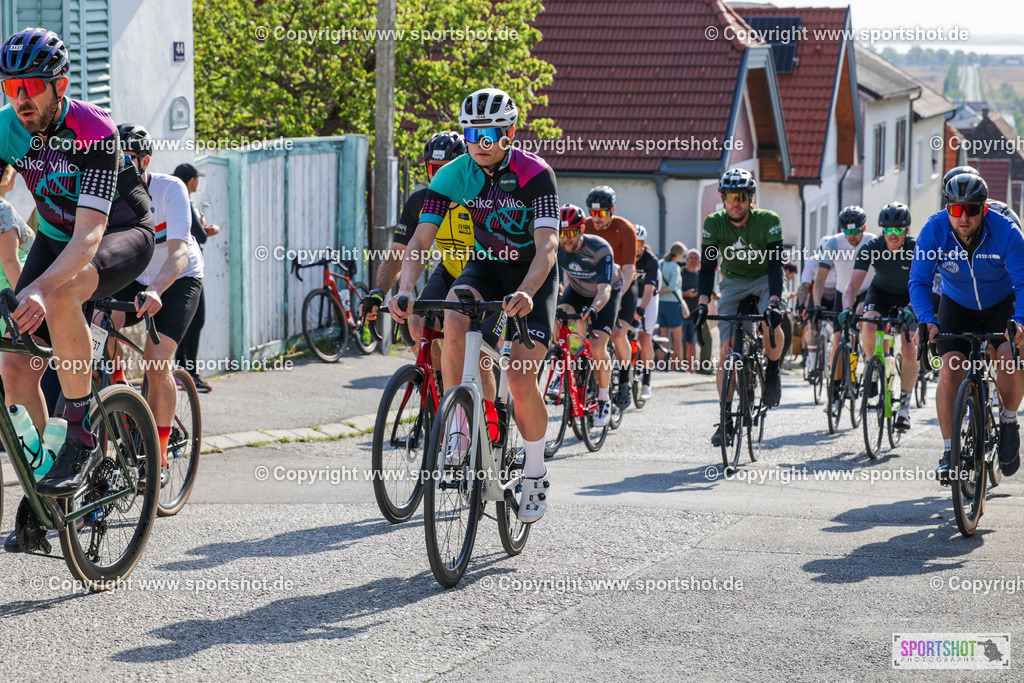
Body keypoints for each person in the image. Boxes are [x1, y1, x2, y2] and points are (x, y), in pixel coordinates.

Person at [0, 28, 156, 553]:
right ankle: (47, 481)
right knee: (14, 365)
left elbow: (90, 234)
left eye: (31, 87)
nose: (20, 98)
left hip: (119, 234)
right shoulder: (6, 129)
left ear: (59, 84)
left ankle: (82, 431)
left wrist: (42, 288)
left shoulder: (94, 130)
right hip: (51, 234)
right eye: (11, 86)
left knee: (61, 296)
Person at [390, 88, 558, 524]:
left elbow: (548, 246)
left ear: (509, 133)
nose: (479, 142)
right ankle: (459, 427)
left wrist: (526, 291)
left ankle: (535, 472)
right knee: (451, 313)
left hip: (532, 276)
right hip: (484, 267)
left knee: (520, 378)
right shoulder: (451, 174)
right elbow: (420, 240)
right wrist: (405, 287)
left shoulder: (535, 174)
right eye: (472, 132)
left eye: (489, 133)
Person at [910, 172, 1024, 481]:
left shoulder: (1006, 232)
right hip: (957, 304)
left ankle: (1009, 420)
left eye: (971, 209)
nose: (963, 217)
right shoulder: (933, 231)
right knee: (949, 368)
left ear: (984, 210)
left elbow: (1023, 283)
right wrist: (927, 320)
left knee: (1007, 357)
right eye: (956, 209)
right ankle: (950, 450)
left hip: (1001, 304)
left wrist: (1021, 323)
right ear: (947, 209)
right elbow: (919, 281)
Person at [108, 124, 204, 487]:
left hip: (178, 278)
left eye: (126, 162)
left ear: (145, 160)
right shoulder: (111, 193)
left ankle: (159, 456)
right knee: (101, 327)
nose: (116, 169)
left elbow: (178, 251)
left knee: (156, 360)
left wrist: (159, 290)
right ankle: (120, 399)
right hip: (135, 273)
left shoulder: (170, 188)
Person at [362, 131, 476, 393]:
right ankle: (441, 390)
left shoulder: (476, 200)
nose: (438, 176)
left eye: (444, 169)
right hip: (448, 270)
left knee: (474, 347)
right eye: (432, 168)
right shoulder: (419, 203)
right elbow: (398, 255)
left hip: (481, 274)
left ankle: (481, 408)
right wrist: (379, 291)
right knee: (416, 324)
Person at [692, 168, 785, 447]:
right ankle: (726, 418)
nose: (736, 202)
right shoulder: (713, 223)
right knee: (726, 351)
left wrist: (775, 303)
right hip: (732, 282)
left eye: (741, 196)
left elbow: (775, 265)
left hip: (764, 279)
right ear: (722, 198)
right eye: (731, 196)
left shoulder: (768, 220)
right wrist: (702, 302)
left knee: (771, 322)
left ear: (750, 198)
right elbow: (707, 268)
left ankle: (772, 370)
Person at [845, 202, 918, 432]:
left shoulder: (917, 248)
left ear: (906, 230)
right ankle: (875, 369)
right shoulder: (871, 247)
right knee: (867, 325)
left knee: (909, 346)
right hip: (882, 293)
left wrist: (912, 309)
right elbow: (852, 287)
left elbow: (926, 284)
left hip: (910, 295)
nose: (893, 235)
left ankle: (904, 408)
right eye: (888, 230)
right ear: (882, 231)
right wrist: (847, 309)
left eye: (898, 230)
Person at [556, 204, 622, 426]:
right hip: (576, 290)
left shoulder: (600, 249)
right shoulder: (556, 246)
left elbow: (605, 289)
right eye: (562, 233)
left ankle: (604, 397)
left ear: (580, 230)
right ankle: (563, 367)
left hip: (604, 293)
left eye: (571, 232)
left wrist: (594, 308)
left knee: (596, 347)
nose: (566, 238)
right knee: (559, 320)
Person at [812, 206, 876, 415]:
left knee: (865, 324)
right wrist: (816, 306)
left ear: (863, 227)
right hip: (843, 293)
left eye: (856, 231)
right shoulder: (834, 243)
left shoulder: (872, 241)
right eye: (847, 232)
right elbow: (820, 278)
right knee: (838, 339)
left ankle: (871, 371)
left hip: (867, 291)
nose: (851, 236)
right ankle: (835, 389)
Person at [582, 185, 638, 409]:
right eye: (592, 212)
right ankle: (582, 377)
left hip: (621, 285)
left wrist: (611, 299)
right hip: (593, 285)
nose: (596, 218)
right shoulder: (583, 226)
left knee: (617, 333)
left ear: (612, 209)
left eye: (602, 213)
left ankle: (624, 379)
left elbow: (627, 270)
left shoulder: (624, 229)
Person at [173, 162, 218, 393]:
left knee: (183, 323)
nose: (198, 182)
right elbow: (200, 235)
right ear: (192, 181)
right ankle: (189, 372)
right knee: (196, 320)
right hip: (188, 272)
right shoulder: (185, 202)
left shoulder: (171, 198)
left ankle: (182, 371)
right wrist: (208, 229)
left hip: (174, 269)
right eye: (197, 179)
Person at [0, 165, 33, 335]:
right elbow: (10, 262)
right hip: (10, 300)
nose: (17, 172)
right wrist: (27, 305)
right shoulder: (2, 209)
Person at [633, 225, 659, 398]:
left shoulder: (651, 260)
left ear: (644, 243)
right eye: (632, 242)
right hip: (630, 297)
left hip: (647, 299)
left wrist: (641, 309)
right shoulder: (623, 255)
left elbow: (649, 289)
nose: (635, 247)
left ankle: (646, 382)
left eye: (639, 243)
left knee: (644, 337)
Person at [656, 242, 686, 371]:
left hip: (660, 303)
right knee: (677, 338)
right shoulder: (674, 266)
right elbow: (674, 286)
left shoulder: (660, 263)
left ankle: (661, 364)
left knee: (664, 336)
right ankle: (678, 365)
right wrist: (665, 291)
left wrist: (660, 292)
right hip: (672, 303)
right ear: (679, 255)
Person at [679, 248, 701, 372]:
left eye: (695, 258)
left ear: (699, 261)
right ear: (686, 259)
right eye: (691, 257)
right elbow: (674, 291)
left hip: (695, 313)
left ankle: (691, 369)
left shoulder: (700, 275)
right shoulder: (680, 273)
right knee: (679, 341)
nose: (693, 260)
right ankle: (677, 368)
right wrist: (685, 294)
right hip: (681, 312)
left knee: (692, 343)